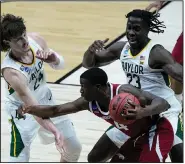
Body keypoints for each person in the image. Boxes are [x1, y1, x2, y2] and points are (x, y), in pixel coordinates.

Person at [82, 9, 183, 162]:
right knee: (95, 157)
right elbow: (89, 64)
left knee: (179, 158)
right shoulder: (121, 48)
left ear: (147, 29)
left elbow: (180, 74)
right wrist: (90, 51)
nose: (131, 32)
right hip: (134, 109)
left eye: (136, 29)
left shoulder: (156, 52)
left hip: (163, 111)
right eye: (129, 27)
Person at [18, 67, 171, 162]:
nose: (81, 91)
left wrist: (142, 112)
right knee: (94, 158)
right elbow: (55, 110)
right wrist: (29, 108)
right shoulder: (88, 102)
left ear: (98, 88)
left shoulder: (124, 92)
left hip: (157, 131)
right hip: (132, 136)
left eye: (83, 87)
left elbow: (163, 102)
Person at [1, 14, 82, 162]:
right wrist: (55, 131)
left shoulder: (35, 40)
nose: (24, 40)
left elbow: (61, 64)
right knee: (19, 160)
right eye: (18, 39)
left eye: (24, 34)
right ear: (7, 42)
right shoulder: (11, 71)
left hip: (46, 100)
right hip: (22, 112)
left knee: (74, 147)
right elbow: (33, 108)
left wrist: (54, 59)